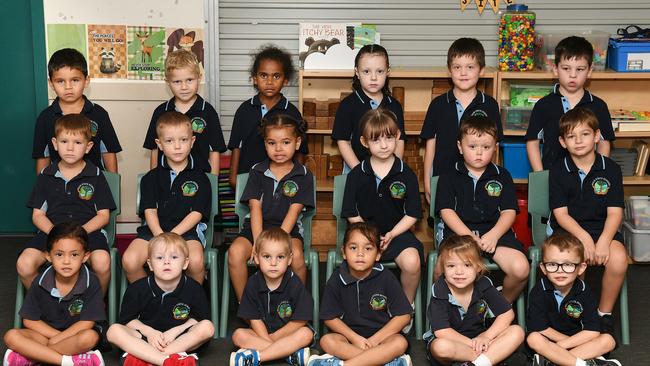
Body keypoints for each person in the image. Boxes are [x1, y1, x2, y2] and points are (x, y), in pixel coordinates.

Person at [340, 108, 423, 332]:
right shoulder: (357, 174)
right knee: (359, 259)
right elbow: (350, 212)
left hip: (398, 234)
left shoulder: (407, 174)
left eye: (388, 138)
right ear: (364, 142)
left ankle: (405, 309)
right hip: (365, 235)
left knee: (412, 262)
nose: (384, 145)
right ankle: (361, 315)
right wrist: (370, 238)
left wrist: (393, 234)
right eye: (376, 140)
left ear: (397, 137)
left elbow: (413, 213)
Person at [548, 107, 627, 336]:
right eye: (571, 136)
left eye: (584, 134)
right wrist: (584, 239)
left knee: (619, 259)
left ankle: (603, 315)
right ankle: (575, 314)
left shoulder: (611, 169)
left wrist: (602, 241)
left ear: (596, 136)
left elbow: (615, 213)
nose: (579, 141)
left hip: (603, 229)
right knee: (573, 258)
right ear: (563, 142)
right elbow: (561, 214)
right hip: (568, 230)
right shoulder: (558, 170)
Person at [435, 115, 529, 303]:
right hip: (459, 234)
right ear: (460, 147)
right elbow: (446, 211)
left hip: (495, 234)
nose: (479, 153)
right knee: (440, 268)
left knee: (521, 268)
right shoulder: (448, 174)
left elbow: (509, 212)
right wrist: (469, 237)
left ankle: (498, 306)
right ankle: (447, 309)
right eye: (472, 147)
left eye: (486, 147)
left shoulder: (502, 175)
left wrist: (494, 235)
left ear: (495, 148)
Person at [19, 114, 116, 294]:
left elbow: (103, 216)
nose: (70, 148)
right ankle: (49, 303)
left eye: (78, 143)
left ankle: (94, 307)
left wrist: (78, 234)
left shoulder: (95, 175)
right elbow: (38, 215)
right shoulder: (46, 175)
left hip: (88, 233)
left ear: (88, 147)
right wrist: (57, 235)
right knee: (24, 264)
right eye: (64, 142)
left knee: (102, 262)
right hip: (51, 233)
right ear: (55, 144)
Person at [228, 113, 314, 302]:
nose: (278, 149)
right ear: (265, 144)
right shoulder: (257, 171)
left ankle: (296, 305)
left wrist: (277, 243)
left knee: (297, 255)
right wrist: (260, 244)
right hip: (255, 230)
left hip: (287, 231)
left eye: (285, 142)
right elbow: (255, 208)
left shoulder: (304, 175)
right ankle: (247, 306)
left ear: (297, 143)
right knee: (234, 252)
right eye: (271, 143)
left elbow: (294, 211)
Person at [122, 111, 211, 285]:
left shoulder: (201, 178)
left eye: (183, 140)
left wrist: (173, 236)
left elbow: (197, 214)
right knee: (130, 260)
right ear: (160, 144)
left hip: (187, 233)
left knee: (196, 261)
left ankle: (189, 304)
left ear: (192, 142)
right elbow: (149, 210)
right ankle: (151, 298)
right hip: (153, 232)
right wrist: (160, 237)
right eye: (169, 141)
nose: (177, 146)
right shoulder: (150, 178)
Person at [309, 222, 413, 366]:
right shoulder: (336, 279)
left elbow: (404, 315)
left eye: (368, 248)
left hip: (382, 337)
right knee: (327, 341)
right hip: (349, 338)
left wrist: (374, 340)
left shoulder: (386, 277)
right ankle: (383, 361)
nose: (360, 253)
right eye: (353, 247)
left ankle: (346, 364)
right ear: (344, 252)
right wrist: (355, 338)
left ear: (378, 255)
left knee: (399, 342)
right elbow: (329, 317)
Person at [4, 223, 106, 366]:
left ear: (85, 256)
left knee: (89, 338)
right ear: (48, 256)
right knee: (11, 336)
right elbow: (29, 320)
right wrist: (56, 337)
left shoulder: (91, 281)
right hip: (45, 335)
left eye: (74, 254)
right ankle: (68, 362)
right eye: (59, 254)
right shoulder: (40, 281)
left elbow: (87, 322)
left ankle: (34, 356)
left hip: (75, 337)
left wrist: (59, 339)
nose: (66, 261)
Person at [106, 233, 214, 366]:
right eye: (159, 257)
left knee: (207, 327)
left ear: (185, 263)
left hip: (178, 340)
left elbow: (199, 319)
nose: (166, 261)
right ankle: (167, 361)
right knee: (113, 331)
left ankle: (146, 358)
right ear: (150, 265)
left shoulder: (194, 288)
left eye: (174, 257)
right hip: (145, 338)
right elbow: (128, 321)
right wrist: (149, 332)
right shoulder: (137, 288)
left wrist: (175, 331)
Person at [420, 38, 502, 203]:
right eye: (457, 67)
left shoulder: (490, 105)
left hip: (477, 181)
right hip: (443, 180)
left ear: (482, 70)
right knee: (442, 222)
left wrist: (492, 179)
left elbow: (495, 147)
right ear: (449, 70)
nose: (463, 73)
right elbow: (430, 147)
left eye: (470, 67)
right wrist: (428, 182)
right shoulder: (438, 105)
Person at [425, 235, 524, 366]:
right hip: (456, 344)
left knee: (517, 331)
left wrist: (486, 337)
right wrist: (475, 344)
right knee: (440, 347)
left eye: (467, 265)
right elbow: (443, 332)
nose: (459, 272)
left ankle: (476, 364)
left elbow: (507, 314)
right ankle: (488, 359)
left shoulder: (483, 284)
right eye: (451, 266)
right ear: (443, 268)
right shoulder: (439, 290)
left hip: (481, 338)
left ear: (478, 267)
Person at [527, 233, 621, 366]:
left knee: (608, 340)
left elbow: (592, 331)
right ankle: (584, 363)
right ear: (543, 268)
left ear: (581, 268)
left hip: (578, 341)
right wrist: (558, 345)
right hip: (548, 343)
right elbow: (541, 328)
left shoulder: (585, 291)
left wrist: (561, 347)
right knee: (533, 339)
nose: (560, 271)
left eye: (568, 265)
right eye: (552, 264)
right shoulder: (538, 291)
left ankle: (553, 362)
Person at [526, 36, 615, 171]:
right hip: (553, 179)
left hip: (587, 179)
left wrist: (599, 174)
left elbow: (604, 143)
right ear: (556, 69)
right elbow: (532, 143)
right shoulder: (543, 105)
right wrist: (540, 176)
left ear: (589, 71)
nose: (573, 75)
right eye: (566, 68)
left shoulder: (598, 106)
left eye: (580, 69)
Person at [230, 228, 314, 366]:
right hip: (261, 334)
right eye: (267, 256)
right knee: (238, 335)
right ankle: (288, 355)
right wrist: (270, 341)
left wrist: (273, 338)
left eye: (280, 257)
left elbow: (299, 321)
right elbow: (254, 319)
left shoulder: (295, 283)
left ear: (289, 259)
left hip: (288, 335)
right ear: (257, 258)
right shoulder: (252, 283)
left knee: (306, 334)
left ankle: (259, 356)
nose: (273, 263)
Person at [227, 44, 308, 187]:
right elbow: (236, 147)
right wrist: (234, 178)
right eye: (263, 75)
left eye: (276, 76)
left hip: (281, 183)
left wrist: (295, 180)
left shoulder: (291, 112)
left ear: (285, 80)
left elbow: (300, 151)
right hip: (248, 181)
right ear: (255, 78)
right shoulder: (244, 110)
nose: (269, 82)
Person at [33, 47, 121, 174]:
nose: (68, 87)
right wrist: (42, 187)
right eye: (60, 81)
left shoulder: (99, 114)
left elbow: (108, 152)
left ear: (86, 81)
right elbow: (43, 157)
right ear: (51, 84)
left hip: (95, 185)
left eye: (75, 80)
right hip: (58, 187)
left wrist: (113, 186)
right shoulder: (45, 118)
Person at [143, 49, 226, 175]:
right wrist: (155, 178)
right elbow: (154, 150)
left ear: (199, 78)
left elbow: (214, 151)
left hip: (200, 182)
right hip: (167, 181)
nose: (184, 87)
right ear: (168, 83)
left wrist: (212, 182)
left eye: (189, 80)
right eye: (177, 82)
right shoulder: (160, 112)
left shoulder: (208, 112)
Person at [332, 44, 406, 172]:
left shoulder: (394, 105)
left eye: (380, 71)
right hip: (355, 170)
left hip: (387, 171)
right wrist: (359, 171)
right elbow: (343, 141)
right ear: (357, 72)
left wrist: (395, 169)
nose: (373, 77)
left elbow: (399, 141)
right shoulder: (348, 105)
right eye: (366, 71)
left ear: (388, 71)